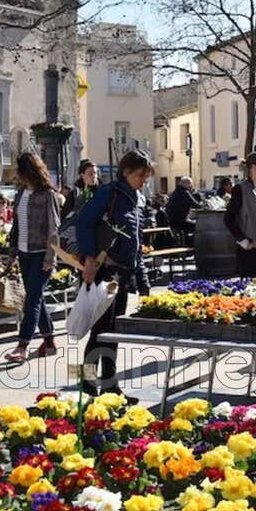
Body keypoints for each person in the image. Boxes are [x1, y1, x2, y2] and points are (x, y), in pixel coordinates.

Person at [77, 150, 154, 396]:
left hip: (124, 274)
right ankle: (88, 384)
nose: (144, 180)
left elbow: (137, 242)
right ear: (126, 172)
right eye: (141, 175)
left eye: (146, 176)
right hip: (105, 271)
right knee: (100, 331)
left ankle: (110, 386)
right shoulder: (108, 194)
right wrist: (89, 258)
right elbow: (84, 222)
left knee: (113, 332)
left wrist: (143, 280)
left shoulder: (136, 199)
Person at [4, 153, 61, 364]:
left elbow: (54, 228)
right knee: (36, 297)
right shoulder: (20, 194)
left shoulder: (47, 195)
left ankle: (22, 345)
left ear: (27, 171)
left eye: (19, 171)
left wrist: (50, 257)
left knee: (32, 300)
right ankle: (49, 340)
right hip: (24, 253)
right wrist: (11, 253)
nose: (17, 175)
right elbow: (17, 226)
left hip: (40, 255)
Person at [166, 176, 202, 243]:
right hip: (180, 221)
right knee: (199, 226)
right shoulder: (184, 192)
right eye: (191, 184)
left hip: (173, 221)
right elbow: (195, 204)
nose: (191, 186)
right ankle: (195, 246)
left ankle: (187, 242)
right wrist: (204, 206)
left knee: (192, 225)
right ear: (186, 183)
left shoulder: (175, 192)